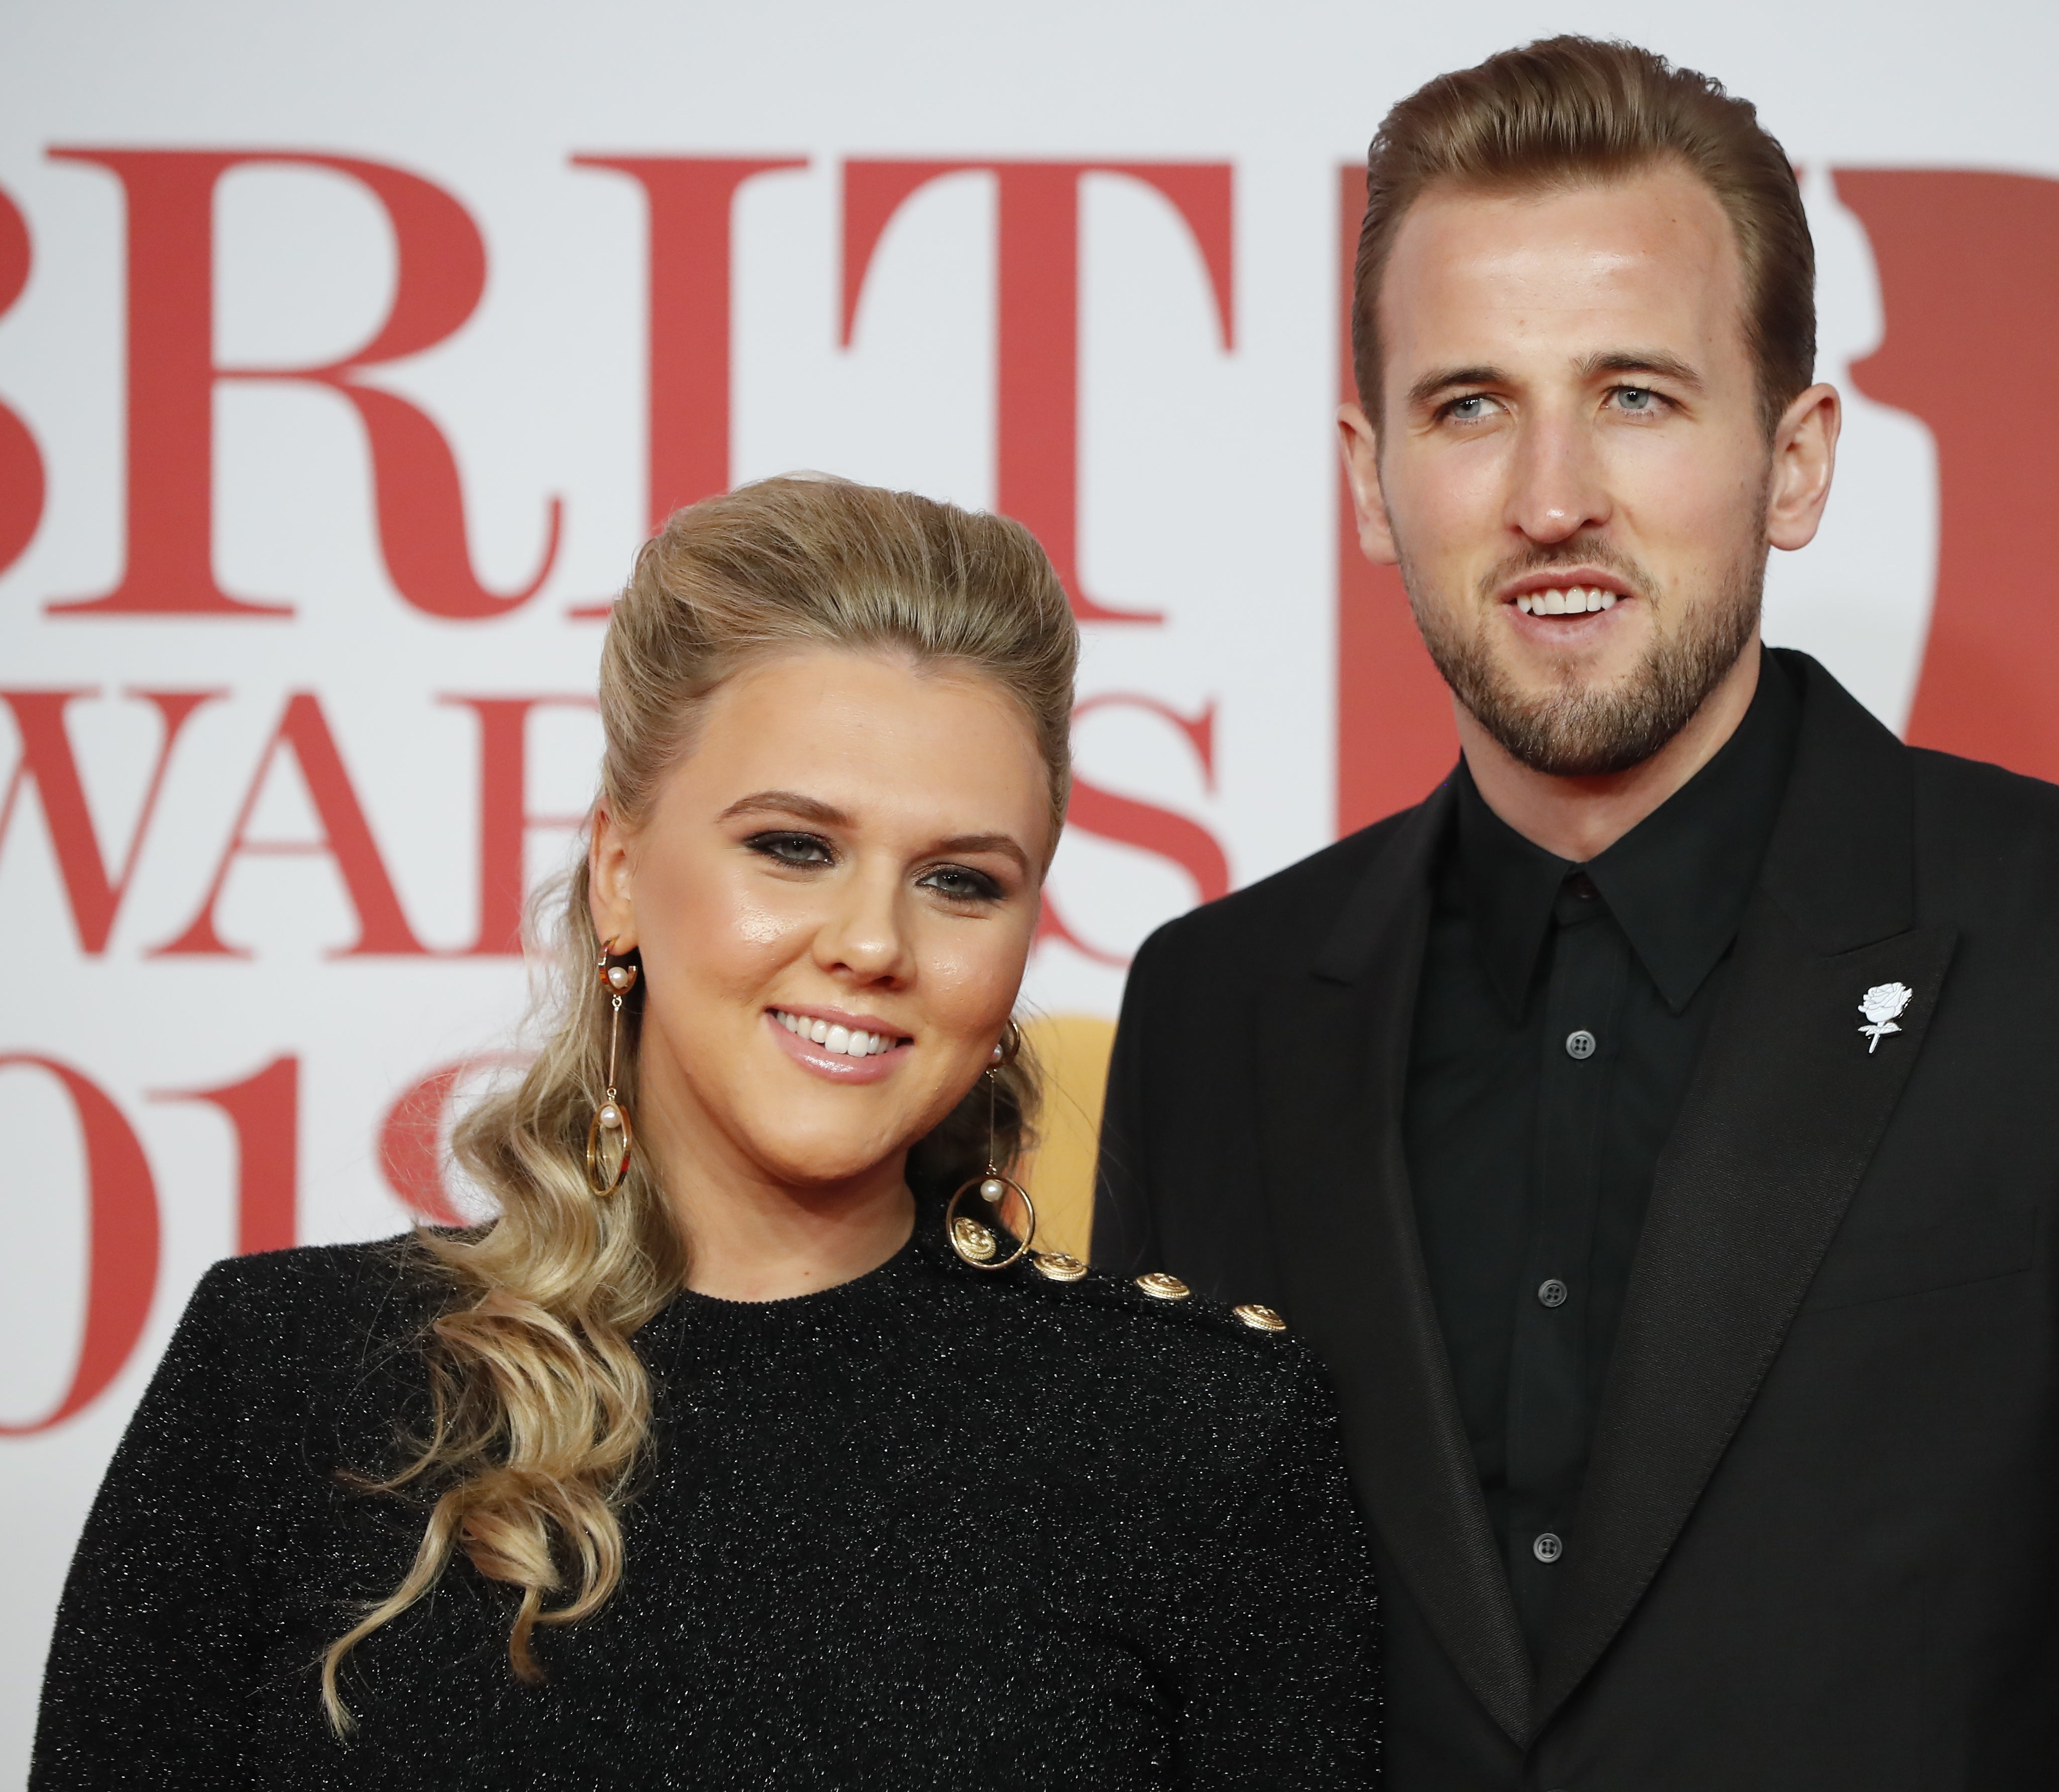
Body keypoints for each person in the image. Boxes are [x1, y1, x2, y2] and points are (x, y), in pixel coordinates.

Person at [1093, 36, 2059, 1789]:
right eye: (1470, 404)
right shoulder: (1222, 1004)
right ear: (1369, 477)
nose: (1551, 495)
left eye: (1637, 395)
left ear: (1796, 458)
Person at [34, 477, 1379, 1789]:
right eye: (794, 846)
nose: (871, 944)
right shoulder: (286, 1377)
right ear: (620, 874)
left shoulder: (1205, 1441)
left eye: (961, 881)